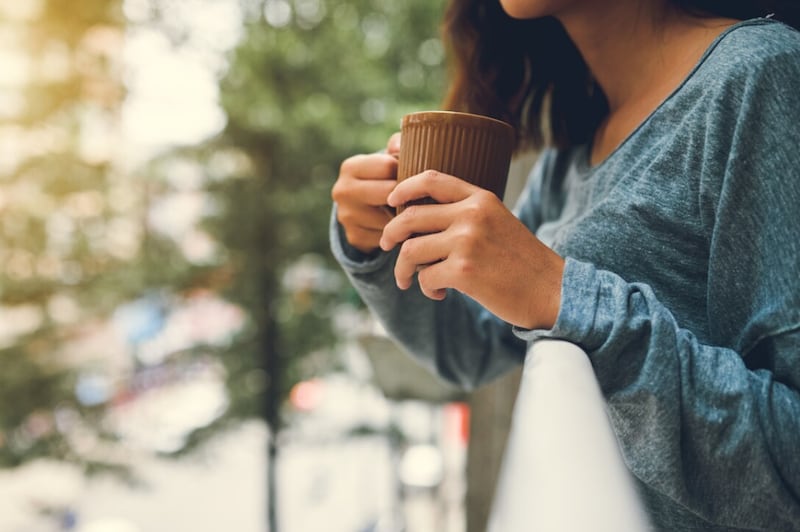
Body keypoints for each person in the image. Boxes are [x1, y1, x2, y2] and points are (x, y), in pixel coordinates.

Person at [330, 0, 800, 529]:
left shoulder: (764, 75)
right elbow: (472, 346)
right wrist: (372, 241)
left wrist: (564, 297)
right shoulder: (573, 146)